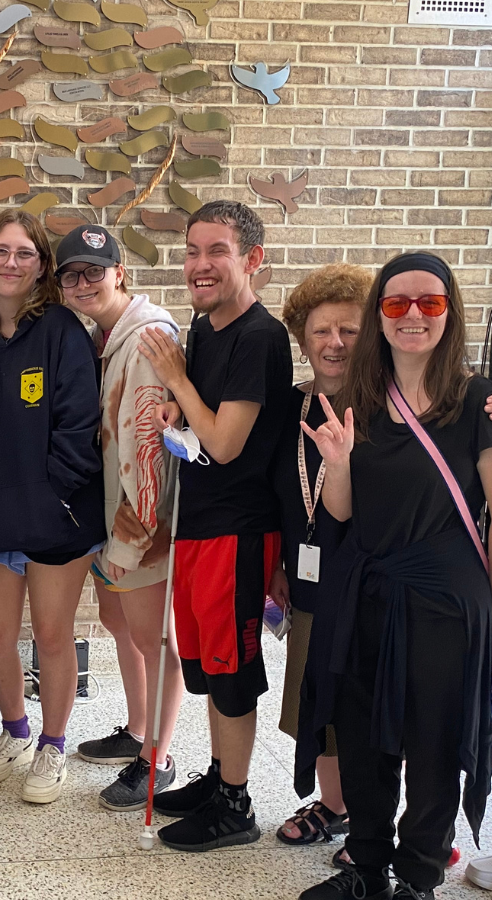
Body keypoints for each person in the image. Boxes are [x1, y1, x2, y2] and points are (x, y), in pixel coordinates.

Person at [299, 252, 492, 900]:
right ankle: (367, 867)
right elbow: (344, 510)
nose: (413, 315)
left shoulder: (476, 400)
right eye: (397, 303)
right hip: (367, 590)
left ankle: (416, 877)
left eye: (429, 303)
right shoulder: (357, 399)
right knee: (361, 738)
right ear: (379, 314)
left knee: (434, 746)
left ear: (449, 313)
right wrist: (339, 460)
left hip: (443, 602)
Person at [138, 199, 292, 851]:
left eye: (217, 251)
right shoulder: (205, 329)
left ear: (252, 260)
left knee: (231, 672)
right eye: (192, 250)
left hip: (239, 529)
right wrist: (177, 402)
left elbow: (226, 443)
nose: (199, 264)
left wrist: (173, 376)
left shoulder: (259, 335)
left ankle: (236, 804)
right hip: (200, 524)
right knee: (206, 661)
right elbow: (201, 423)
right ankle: (219, 778)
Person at [0, 209, 105, 804]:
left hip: (56, 516)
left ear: (41, 265)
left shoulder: (64, 330)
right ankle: (15, 730)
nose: (11, 262)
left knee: (51, 634)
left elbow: (79, 423)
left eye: (24, 253)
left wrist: (55, 496)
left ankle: (53, 742)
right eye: (1, 251)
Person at [56, 225, 184, 812]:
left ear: (119, 273)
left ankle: (158, 758)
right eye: (71, 274)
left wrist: (132, 541)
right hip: (113, 519)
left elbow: (150, 456)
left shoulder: (149, 338)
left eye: (94, 271)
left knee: (155, 639)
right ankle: (137, 728)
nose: (83, 283)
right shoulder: (106, 337)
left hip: (142, 526)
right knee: (120, 623)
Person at [266, 264, 369, 848]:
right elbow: (280, 491)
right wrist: (280, 562)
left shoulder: (389, 406)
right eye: (321, 330)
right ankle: (335, 805)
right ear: (302, 339)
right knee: (316, 699)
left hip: (368, 582)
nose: (333, 343)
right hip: (306, 577)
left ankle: (379, 814)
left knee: (365, 701)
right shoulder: (291, 406)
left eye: (349, 331)